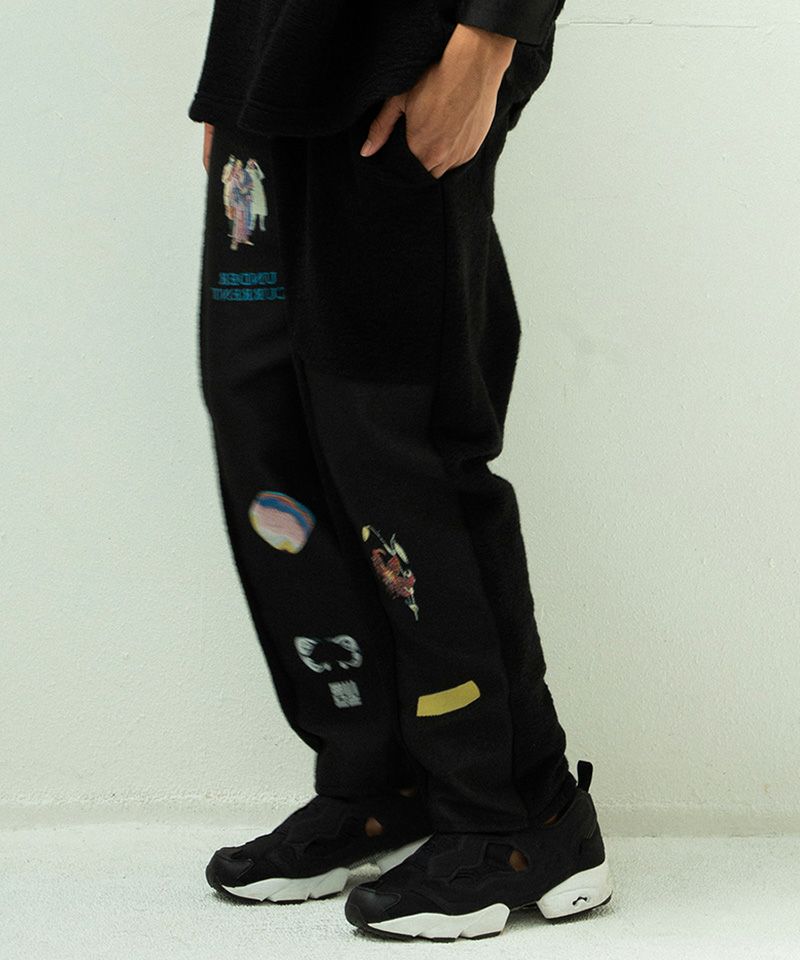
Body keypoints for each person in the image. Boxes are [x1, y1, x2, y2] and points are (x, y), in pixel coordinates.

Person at [188, 0, 613, 941]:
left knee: (397, 437)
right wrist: (232, 74)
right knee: (266, 426)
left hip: (413, 50)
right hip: (271, 62)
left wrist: (490, 37)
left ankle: (517, 809)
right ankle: (381, 778)